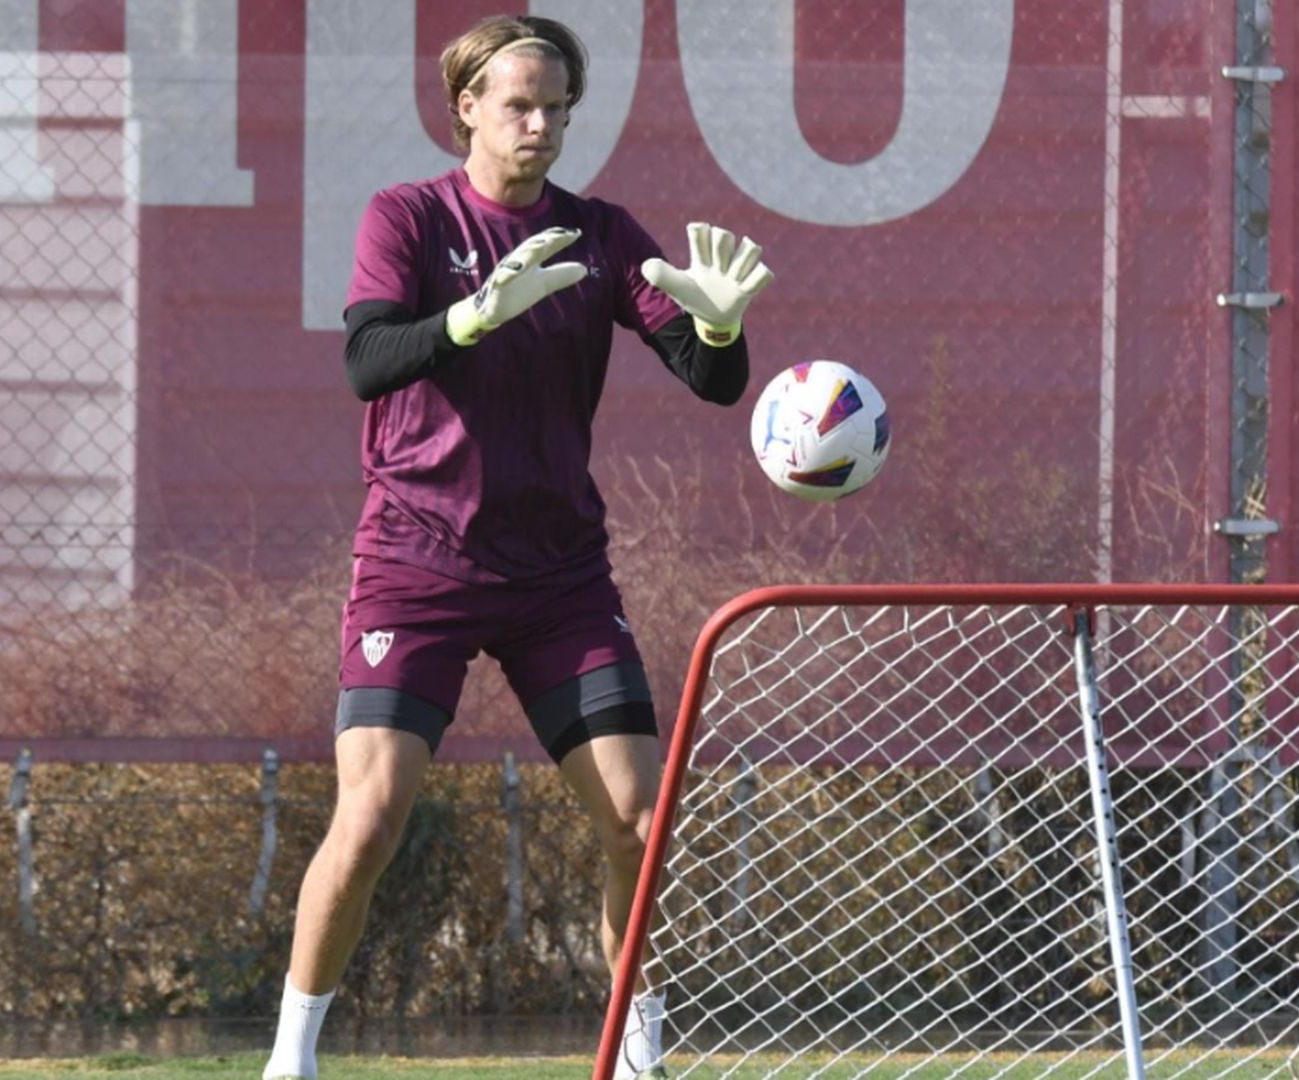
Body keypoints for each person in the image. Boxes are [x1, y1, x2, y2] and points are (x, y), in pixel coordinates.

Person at [263, 13, 771, 1080]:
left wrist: (719, 330)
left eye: (555, 108)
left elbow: (712, 380)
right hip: (418, 562)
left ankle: (636, 1056)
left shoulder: (601, 234)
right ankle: (292, 1060)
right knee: (369, 821)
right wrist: (469, 318)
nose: (539, 124)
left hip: (559, 582)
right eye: (517, 105)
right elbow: (367, 362)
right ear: (468, 109)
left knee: (640, 813)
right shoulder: (406, 215)